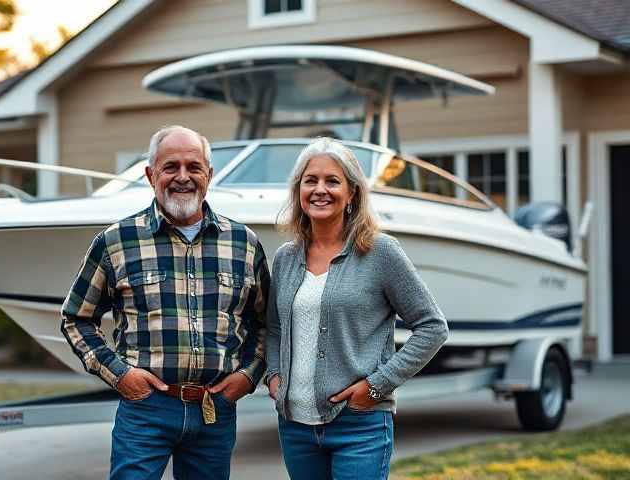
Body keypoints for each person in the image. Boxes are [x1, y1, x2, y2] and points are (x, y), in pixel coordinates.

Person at [60, 125, 269, 480]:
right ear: (150, 174)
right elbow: (76, 319)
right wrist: (120, 375)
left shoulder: (243, 243)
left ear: (209, 175)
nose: (183, 177)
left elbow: (265, 324)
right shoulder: (115, 241)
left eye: (194, 167)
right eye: (171, 167)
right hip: (146, 407)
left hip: (214, 409)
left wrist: (248, 377)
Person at [265, 137, 448, 479]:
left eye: (332, 181)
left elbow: (433, 327)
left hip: (359, 426)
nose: (321, 189)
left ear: (352, 193)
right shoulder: (285, 259)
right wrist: (274, 377)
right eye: (311, 180)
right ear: (298, 191)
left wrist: (377, 386)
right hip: (294, 427)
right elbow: (275, 328)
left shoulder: (380, 252)